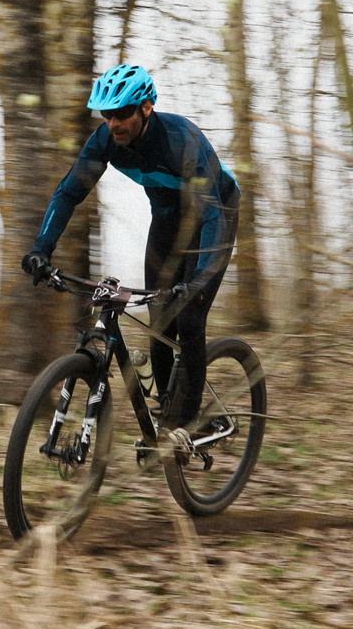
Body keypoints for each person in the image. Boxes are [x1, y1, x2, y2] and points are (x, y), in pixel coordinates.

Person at [20, 64, 240, 429]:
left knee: (188, 314)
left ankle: (187, 423)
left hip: (214, 213)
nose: (114, 123)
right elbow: (69, 193)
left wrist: (200, 281)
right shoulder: (106, 140)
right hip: (168, 221)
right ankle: (168, 406)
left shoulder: (180, 140)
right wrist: (42, 248)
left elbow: (212, 215)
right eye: (107, 115)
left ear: (146, 108)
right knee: (161, 315)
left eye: (122, 114)